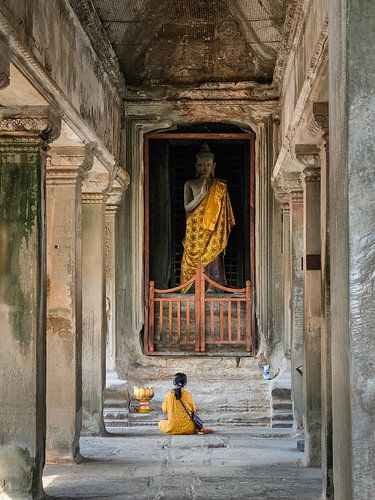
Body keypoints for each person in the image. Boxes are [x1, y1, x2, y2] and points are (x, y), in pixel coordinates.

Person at [180, 143, 235, 292]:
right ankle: (195, 288)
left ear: (214, 166)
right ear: (196, 166)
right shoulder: (190, 184)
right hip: (195, 231)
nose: (205, 167)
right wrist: (202, 195)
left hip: (213, 230)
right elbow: (187, 207)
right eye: (201, 164)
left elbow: (224, 213)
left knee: (214, 257)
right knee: (194, 260)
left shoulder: (219, 186)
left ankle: (212, 286)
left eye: (208, 164)